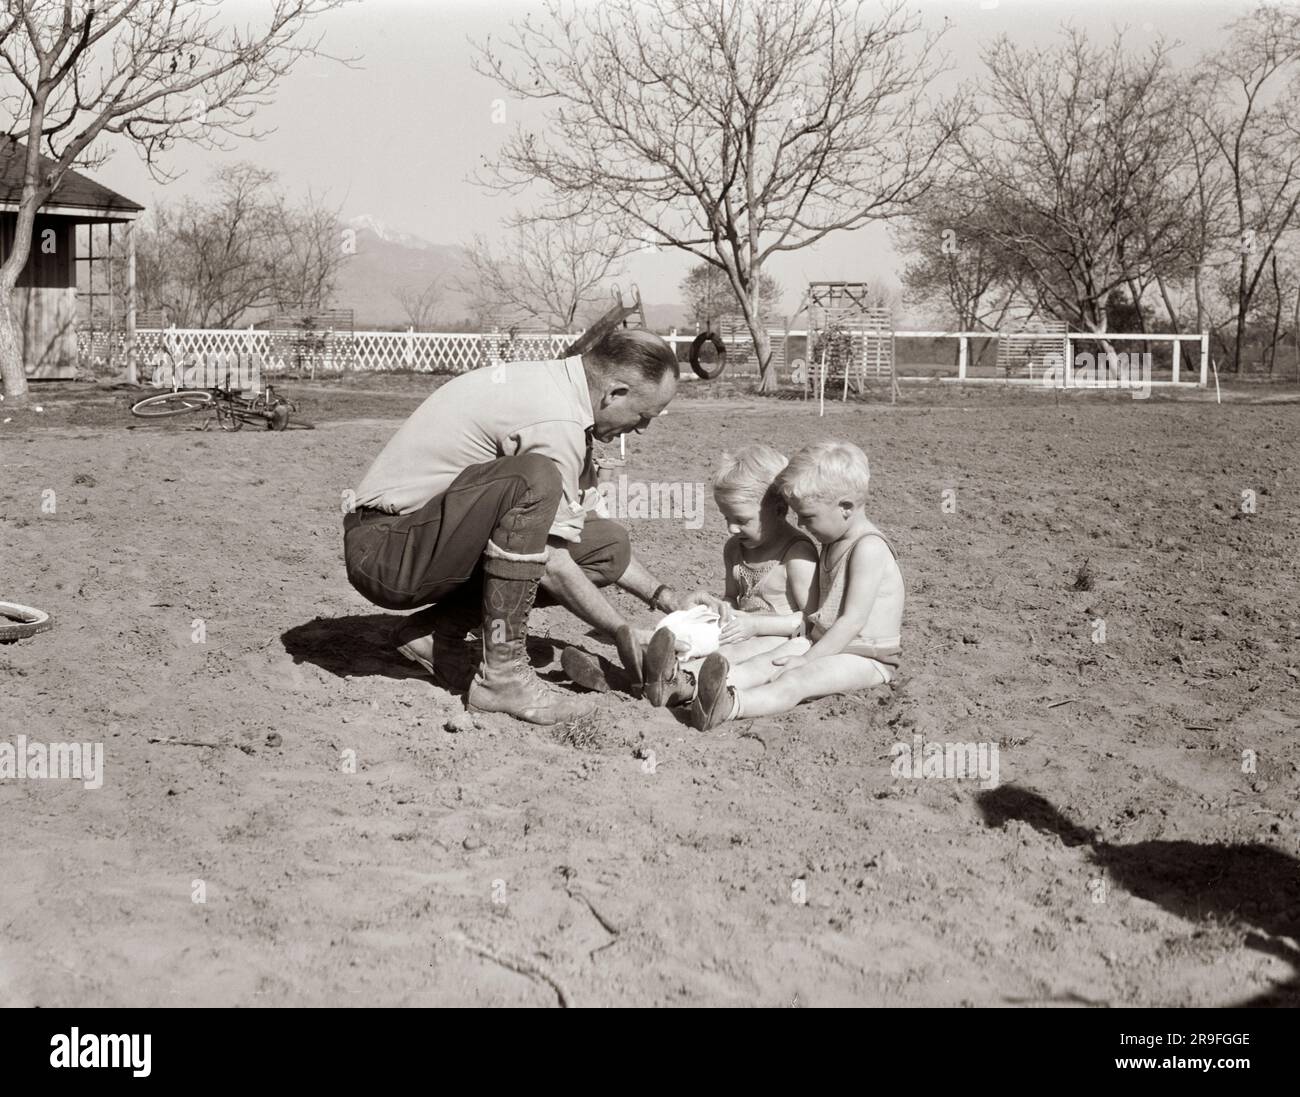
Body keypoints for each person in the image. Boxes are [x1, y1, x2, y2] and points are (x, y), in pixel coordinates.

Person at [342, 328, 685, 725]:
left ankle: (433, 632)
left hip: (424, 539)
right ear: (615, 393)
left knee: (607, 544)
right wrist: (619, 629)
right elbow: (553, 562)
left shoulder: (565, 395)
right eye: (645, 416)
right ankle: (502, 679)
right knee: (535, 479)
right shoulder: (556, 419)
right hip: (386, 552)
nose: (642, 429)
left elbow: (586, 531)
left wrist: (666, 598)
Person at [682, 440, 905, 730]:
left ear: (846, 507)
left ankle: (730, 705)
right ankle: (687, 684)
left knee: (797, 678)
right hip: (824, 642)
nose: (799, 523)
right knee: (767, 663)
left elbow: (852, 621)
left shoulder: (869, 548)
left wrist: (807, 659)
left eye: (808, 516)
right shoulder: (834, 539)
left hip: (866, 656)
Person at [639, 444, 818, 706]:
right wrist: (721, 607)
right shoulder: (736, 548)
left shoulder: (797, 553)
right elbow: (734, 598)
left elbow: (810, 620)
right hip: (738, 627)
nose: (731, 528)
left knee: (736, 652)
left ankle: (683, 683)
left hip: (777, 636)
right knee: (685, 627)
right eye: (726, 517)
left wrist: (756, 625)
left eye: (741, 520)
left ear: (779, 510)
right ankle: (647, 662)